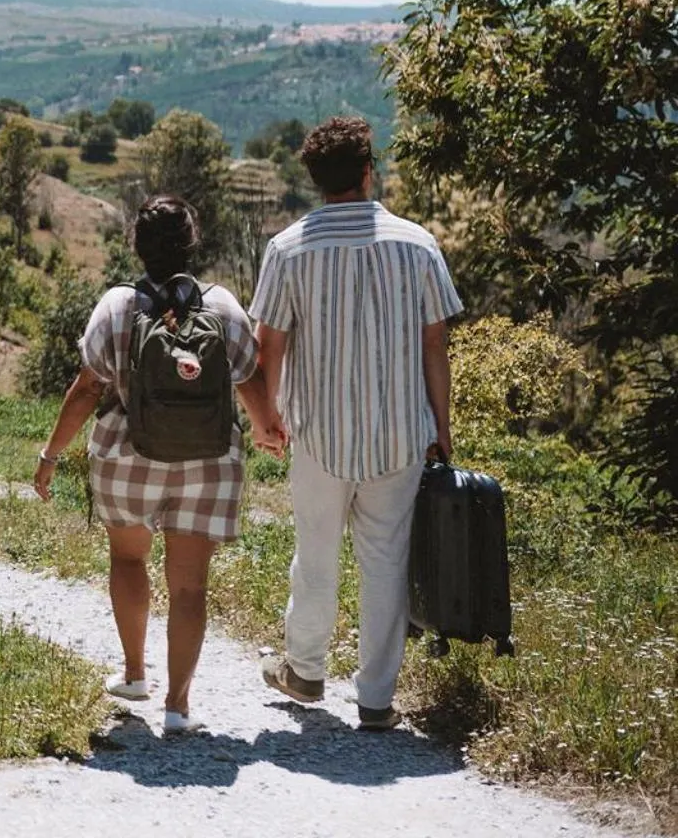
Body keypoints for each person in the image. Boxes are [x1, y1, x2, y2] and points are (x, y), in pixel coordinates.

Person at [33, 195, 284, 735]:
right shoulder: (223, 306)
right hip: (209, 462)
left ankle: (133, 673)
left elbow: (85, 389)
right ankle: (178, 705)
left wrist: (51, 455)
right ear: (193, 244)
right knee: (190, 587)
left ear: (136, 246)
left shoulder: (116, 306)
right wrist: (266, 428)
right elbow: (249, 377)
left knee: (128, 560)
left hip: (128, 454)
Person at [249, 116, 462, 731]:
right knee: (386, 561)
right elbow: (434, 346)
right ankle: (375, 700)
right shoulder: (417, 244)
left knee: (315, 554)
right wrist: (440, 427)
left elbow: (271, 345)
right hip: (399, 432)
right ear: (369, 169)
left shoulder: (288, 249)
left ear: (315, 180)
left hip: (317, 432)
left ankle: (306, 671)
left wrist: (270, 417)